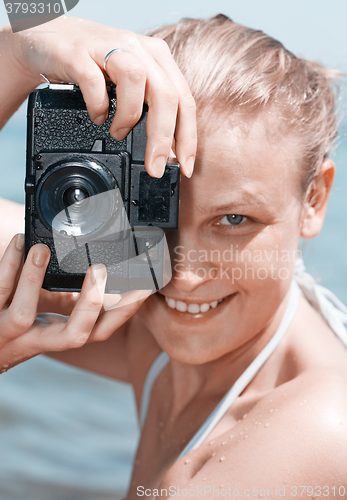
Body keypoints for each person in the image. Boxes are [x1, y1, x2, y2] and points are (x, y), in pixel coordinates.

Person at [1, 13, 347, 499]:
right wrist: (16, 53)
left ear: (314, 199)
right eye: (153, 212)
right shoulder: (151, 312)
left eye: (233, 220)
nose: (182, 274)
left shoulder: (312, 434)